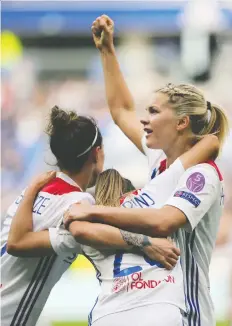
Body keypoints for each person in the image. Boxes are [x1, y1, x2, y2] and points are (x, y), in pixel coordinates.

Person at [64, 15, 230, 326]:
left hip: (188, 312)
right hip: (160, 308)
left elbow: (164, 221)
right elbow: (120, 110)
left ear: (181, 122)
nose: (144, 119)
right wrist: (107, 51)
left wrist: (95, 212)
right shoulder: (160, 164)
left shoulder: (203, 175)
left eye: (154, 112)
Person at [4, 134, 218, 326]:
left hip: (108, 315)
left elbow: (19, 242)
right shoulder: (153, 206)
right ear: (134, 190)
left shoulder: (88, 226)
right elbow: (210, 142)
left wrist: (33, 189)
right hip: (161, 311)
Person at [1, 106, 173, 326]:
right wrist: (145, 242)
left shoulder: (34, 191)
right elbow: (19, 243)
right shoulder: (78, 203)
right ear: (97, 153)